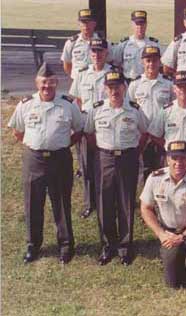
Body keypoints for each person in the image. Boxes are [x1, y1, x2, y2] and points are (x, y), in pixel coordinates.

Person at [8, 62, 83, 264]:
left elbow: (79, 129)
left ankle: (66, 245)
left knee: (61, 202)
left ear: (57, 83)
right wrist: (34, 145)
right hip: (34, 160)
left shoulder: (68, 105)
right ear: (36, 83)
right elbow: (17, 130)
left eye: (50, 83)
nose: (46, 87)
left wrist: (64, 144)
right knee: (33, 203)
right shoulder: (25, 105)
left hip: (60, 159)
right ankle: (33, 245)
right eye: (43, 83)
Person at [84, 70, 149, 266]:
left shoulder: (135, 110)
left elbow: (145, 132)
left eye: (118, 87)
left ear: (124, 87)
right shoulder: (96, 109)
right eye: (110, 87)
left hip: (128, 158)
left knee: (125, 201)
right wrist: (103, 151)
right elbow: (88, 133)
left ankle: (125, 245)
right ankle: (107, 244)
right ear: (105, 89)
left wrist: (136, 151)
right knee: (104, 201)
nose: (114, 91)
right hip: (104, 158)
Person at [140, 140, 186, 313]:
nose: (178, 163)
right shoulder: (155, 178)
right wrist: (161, 234)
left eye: (182, 158)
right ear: (167, 159)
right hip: (169, 232)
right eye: (174, 158)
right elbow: (146, 208)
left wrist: (184, 236)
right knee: (173, 283)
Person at [69, 38, 114, 219]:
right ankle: (89, 203)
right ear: (90, 54)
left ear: (106, 53)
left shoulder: (113, 74)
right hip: (87, 125)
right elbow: (78, 99)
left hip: (106, 125)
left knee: (105, 166)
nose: (97, 55)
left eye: (100, 51)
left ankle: (108, 200)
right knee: (86, 165)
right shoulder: (82, 73)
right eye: (93, 52)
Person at [128, 45, 174, 180]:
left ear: (159, 62)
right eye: (148, 61)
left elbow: (174, 107)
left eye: (154, 60)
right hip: (142, 135)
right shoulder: (135, 84)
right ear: (142, 62)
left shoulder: (168, 83)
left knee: (163, 170)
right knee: (144, 170)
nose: (151, 64)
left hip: (162, 134)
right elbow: (130, 109)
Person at [111, 10, 160, 82]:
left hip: (146, 82)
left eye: (142, 24)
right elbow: (116, 64)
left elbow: (160, 66)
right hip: (128, 82)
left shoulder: (154, 44)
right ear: (132, 24)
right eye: (137, 24)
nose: (140, 27)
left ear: (146, 24)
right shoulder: (124, 44)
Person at [61, 9, 102, 79]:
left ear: (94, 23)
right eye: (83, 22)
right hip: (78, 80)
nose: (86, 25)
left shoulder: (102, 42)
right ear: (79, 23)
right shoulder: (71, 43)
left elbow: (110, 61)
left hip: (96, 80)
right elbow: (67, 65)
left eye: (89, 22)